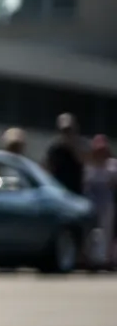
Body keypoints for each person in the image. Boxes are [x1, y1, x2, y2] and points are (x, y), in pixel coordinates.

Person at [82, 135, 116, 270]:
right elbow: (84, 186)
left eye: (103, 150)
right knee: (91, 232)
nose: (100, 153)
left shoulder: (113, 165)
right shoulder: (89, 167)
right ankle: (90, 259)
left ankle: (107, 260)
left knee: (107, 231)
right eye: (98, 151)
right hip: (91, 203)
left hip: (107, 203)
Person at [45, 113, 86, 195]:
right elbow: (48, 168)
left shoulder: (82, 145)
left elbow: (85, 162)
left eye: (69, 130)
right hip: (58, 190)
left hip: (76, 191)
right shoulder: (55, 148)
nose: (66, 134)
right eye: (64, 131)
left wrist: (72, 147)